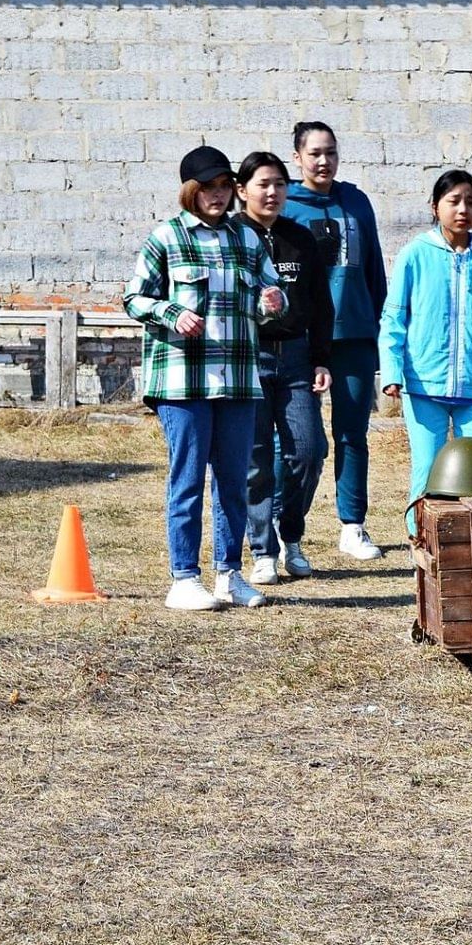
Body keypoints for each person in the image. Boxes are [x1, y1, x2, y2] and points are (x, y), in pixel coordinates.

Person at [123, 145, 283, 612]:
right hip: (182, 381)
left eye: (222, 187)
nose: (217, 196)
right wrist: (172, 312)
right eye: (208, 188)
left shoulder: (247, 239)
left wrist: (271, 302)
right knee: (188, 479)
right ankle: (183, 576)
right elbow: (134, 298)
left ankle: (229, 575)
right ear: (190, 191)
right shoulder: (165, 238)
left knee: (233, 481)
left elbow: (266, 295)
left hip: (236, 379)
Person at [379, 169, 472, 529]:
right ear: (434, 206)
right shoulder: (414, 255)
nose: (462, 209)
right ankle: (421, 544)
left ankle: (470, 547)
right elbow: (393, 320)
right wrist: (392, 372)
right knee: (427, 469)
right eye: (453, 201)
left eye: (471, 201)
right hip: (425, 385)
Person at [283, 120, 388, 561]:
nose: (323, 161)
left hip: (355, 335)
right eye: (315, 154)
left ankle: (352, 525)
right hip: (302, 341)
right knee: (297, 441)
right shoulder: (286, 206)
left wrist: (375, 322)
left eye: (331, 152)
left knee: (352, 434)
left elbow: (374, 271)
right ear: (298, 158)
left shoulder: (356, 202)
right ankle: (284, 529)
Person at [233, 151, 333, 586]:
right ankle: (262, 549)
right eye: (262, 184)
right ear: (242, 190)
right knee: (255, 460)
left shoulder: (300, 237)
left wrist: (321, 358)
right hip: (247, 356)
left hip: (295, 356)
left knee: (309, 452)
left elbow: (321, 304)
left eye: (279, 184)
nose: (272, 192)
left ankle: (290, 533)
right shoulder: (232, 236)